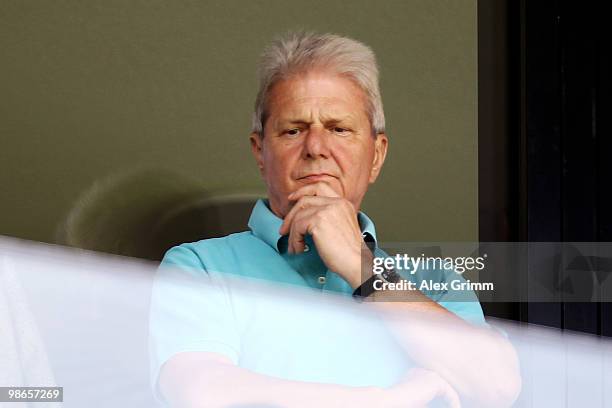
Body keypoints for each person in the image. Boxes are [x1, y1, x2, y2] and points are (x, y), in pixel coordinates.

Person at [149, 31, 521, 407]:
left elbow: (498, 386)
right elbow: (201, 393)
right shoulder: (201, 267)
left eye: (338, 129)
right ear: (260, 151)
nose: (315, 148)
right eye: (293, 130)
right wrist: (388, 401)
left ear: (376, 155)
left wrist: (363, 269)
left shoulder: (435, 282)